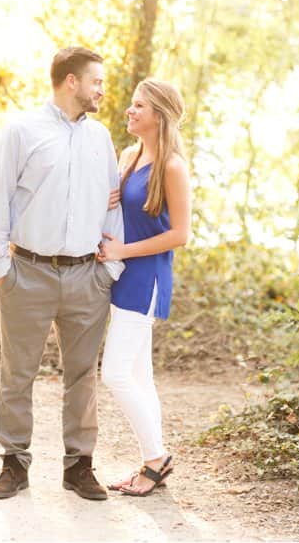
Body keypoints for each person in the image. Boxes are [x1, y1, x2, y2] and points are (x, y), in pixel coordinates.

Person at [0, 47, 125, 501]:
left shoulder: (100, 137)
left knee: (82, 376)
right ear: (71, 82)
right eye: (96, 81)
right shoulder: (22, 132)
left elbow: (112, 205)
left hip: (87, 277)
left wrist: (111, 268)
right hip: (28, 272)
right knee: (17, 373)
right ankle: (14, 464)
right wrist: (3, 269)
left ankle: (79, 466)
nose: (102, 89)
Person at [97, 79, 191, 496]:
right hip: (122, 273)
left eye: (139, 106)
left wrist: (124, 249)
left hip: (147, 277)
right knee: (140, 374)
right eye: (131, 104)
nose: (130, 111)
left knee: (115, 373)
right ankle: (154, 460)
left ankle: (156, 459)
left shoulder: (172, 166)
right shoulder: (129, 155)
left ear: (159, 116)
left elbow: (180, 235)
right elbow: (117, 212)